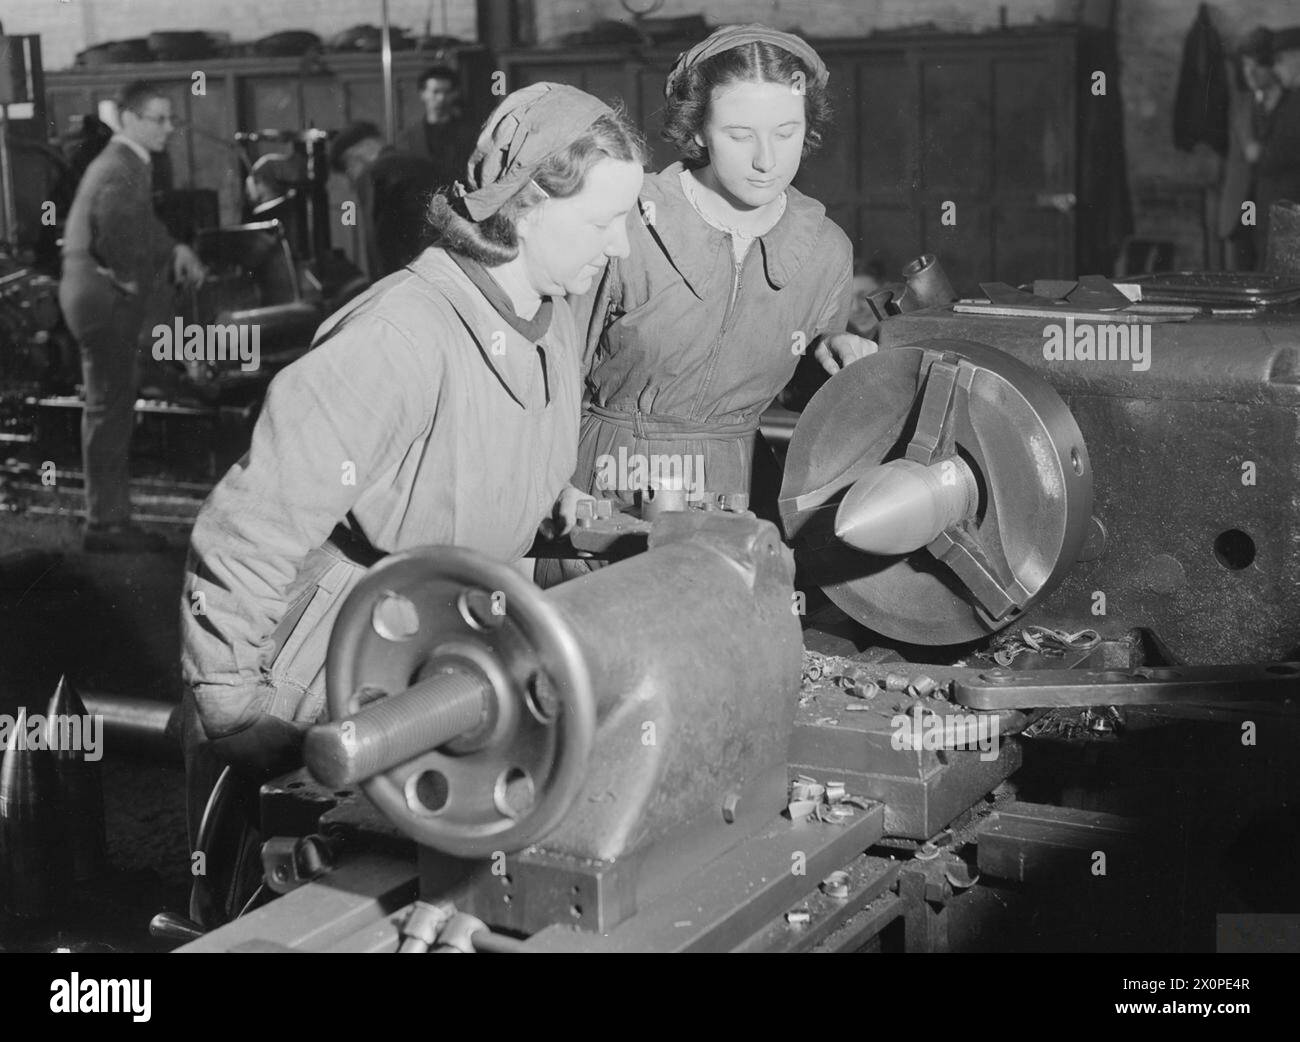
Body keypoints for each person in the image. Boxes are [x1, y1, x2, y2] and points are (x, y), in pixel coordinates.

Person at [179, 83, 645, 864]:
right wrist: (233, 712)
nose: (621, 245)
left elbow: (491, 459)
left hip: (442, 651)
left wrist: (592, 522)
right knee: (289, 901)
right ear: (524, 205)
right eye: (604, 221)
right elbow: (251, 525)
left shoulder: (549, 320)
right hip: (322, 664)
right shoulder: (399, 336)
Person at [535, 24, 873, 587]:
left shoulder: (825, 249)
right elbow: (548, 370)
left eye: (787, 132)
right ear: (698, 130)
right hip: (602, 485)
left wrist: (826, 352)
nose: (767, 159)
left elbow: (786, 391)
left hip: (736, 495)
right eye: (740, 134)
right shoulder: (627, 220)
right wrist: (546, 482)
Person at [58, 80, 206, 553]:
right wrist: (126, 279)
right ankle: (104, 524)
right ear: (128, 119)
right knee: (108, 407)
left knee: (111, 406)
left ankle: (109, 517)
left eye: (170, 119)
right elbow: (115, 224)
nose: (168, 129)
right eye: (157, 119)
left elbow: (143, 224)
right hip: (101, 297)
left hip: (92, 292)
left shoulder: (126, 162)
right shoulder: (121, 163)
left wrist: (175, 247)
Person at [329, 121, 439, 279]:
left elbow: (378, 249)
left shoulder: (373, 173)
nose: (352, 181)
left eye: (348, 170)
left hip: (405, 284)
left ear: (355, 156)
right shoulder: (422, 163)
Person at [398, 65, 478, 192]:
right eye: (435, 92)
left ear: (455, 94)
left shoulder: (469, 135)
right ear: (423, 94)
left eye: (446, 92)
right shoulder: (408, 138)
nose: (441, 99)